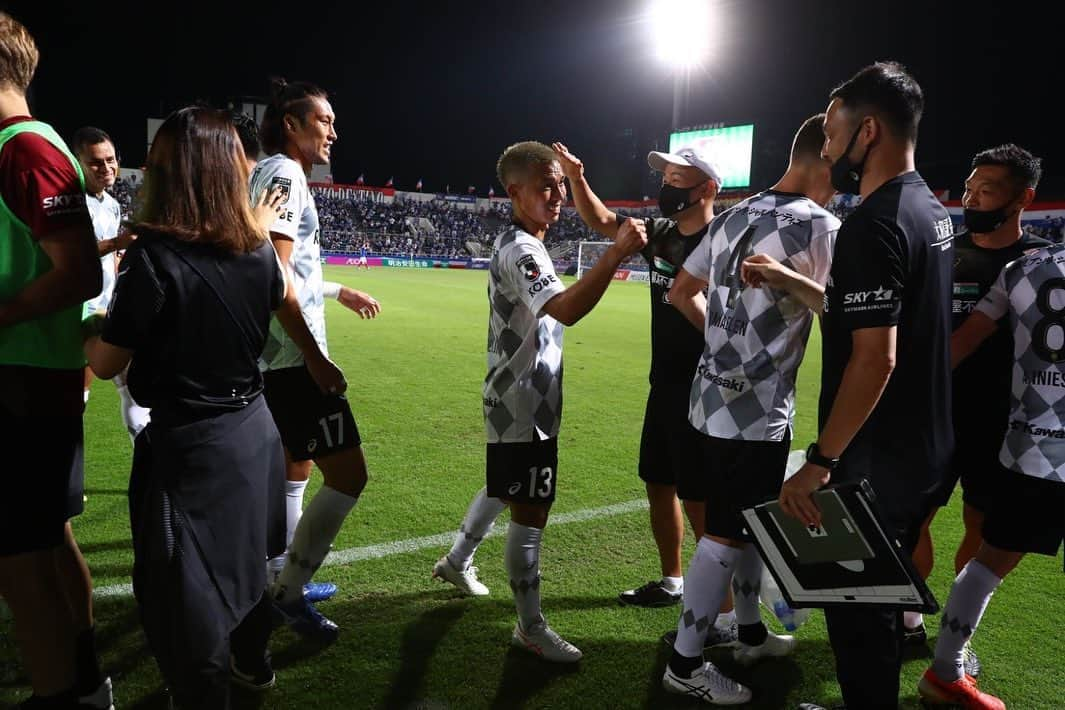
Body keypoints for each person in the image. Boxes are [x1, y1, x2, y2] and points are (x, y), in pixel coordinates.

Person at [83, 106, 287, 709]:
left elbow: (105, 363)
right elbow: (272, 297)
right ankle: (254, 666)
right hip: (255, 434)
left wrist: (79, 321)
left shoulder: (152, 258)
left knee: (186, 606)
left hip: (191, 454)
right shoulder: (257, 251)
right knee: (248, 577)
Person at [772, 62, 955, 710]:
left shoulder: (872, 224)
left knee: (859, 621)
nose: (824, 144)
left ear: (867, 130)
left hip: (876, 460)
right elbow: (878, 313)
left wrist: (818, 463)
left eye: (831, 128)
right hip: (924, 450)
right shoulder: (929, 208)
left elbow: (874, 359)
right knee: (877, 608)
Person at [431, 140, 647, 662]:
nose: (556, 195)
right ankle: (530, 627)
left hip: (522, 400)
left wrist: (577, 180)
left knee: (506, 484)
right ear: (515, 192)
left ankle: (458, 559)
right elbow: (566, 308)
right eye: (544, 186)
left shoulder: (525, 240)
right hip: (522, 402)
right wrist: (615, 254)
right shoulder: (523, 249)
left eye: (559, 184)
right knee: (531, 510)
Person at [662, 114, 840, 703]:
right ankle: (685, 665)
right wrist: (795, 284)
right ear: (824, 157)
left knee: (741, 528)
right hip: (757, 412)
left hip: (704, 400)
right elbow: (846, 311)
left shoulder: (734, 213)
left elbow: (679, 291)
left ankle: (751, 629)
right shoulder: (820, 227)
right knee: (726, 536)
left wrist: (720, 341)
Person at [553, 139, 736, 631]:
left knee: (698, 496)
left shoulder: (726, 241)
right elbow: (601, 221)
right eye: (666, 177)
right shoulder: (658, 233)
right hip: (665, 385)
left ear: (708, 188)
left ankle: (725, 610)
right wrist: (576, 177)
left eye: (678, 179)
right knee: (659, 483)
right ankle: (673, 580)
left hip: (705, 388)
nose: (667, 185)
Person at [0, 13, 108, 710]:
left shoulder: (26, 147)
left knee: (18, 563)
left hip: (24, 385)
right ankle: (85, 681)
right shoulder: (17, 147)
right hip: (28, 381)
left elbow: (78, 276)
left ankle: (60, 692)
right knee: (44, 543)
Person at [250, 79, 381, 641]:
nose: (333, 130)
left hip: (275, 357)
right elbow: (272, 274)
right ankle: (287, 594)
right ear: (292, 124)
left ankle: (278, 576)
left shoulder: (269, 173)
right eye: (323, 120)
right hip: (290, 359)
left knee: (294, 465)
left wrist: (336, 291)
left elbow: (290, 269)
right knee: (350, 474)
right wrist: (313, 356)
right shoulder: (284, 174)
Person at [911, 144, 1048, 664]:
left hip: (1004, 424)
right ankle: (908, 618)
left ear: (1023, 198)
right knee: (911, 522)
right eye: (969, 188)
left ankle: (955, 633)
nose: (972, 198)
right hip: (935, 416)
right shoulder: (943, 254)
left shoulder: (1040, 262)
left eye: (986, 190)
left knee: (982, 530)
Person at [917, 241, 1064, 709]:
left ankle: (945, 669)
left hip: (1032, 444)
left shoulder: (1024, 266)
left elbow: (962, 342)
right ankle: (944, 670)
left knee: (988, 561)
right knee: (988, 558)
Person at [71, 126, 150, 439]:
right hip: (79, 311)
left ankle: (148, 472)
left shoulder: (113, 204)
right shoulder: (73, 203)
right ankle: (66, 477)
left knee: (133, 388)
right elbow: (73, 253)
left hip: (108, 307)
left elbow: (111, 259)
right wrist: (119, 242)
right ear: (78, 163)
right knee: (79, 394)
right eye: (95, 162)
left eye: (111, 159)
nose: (106, 168)